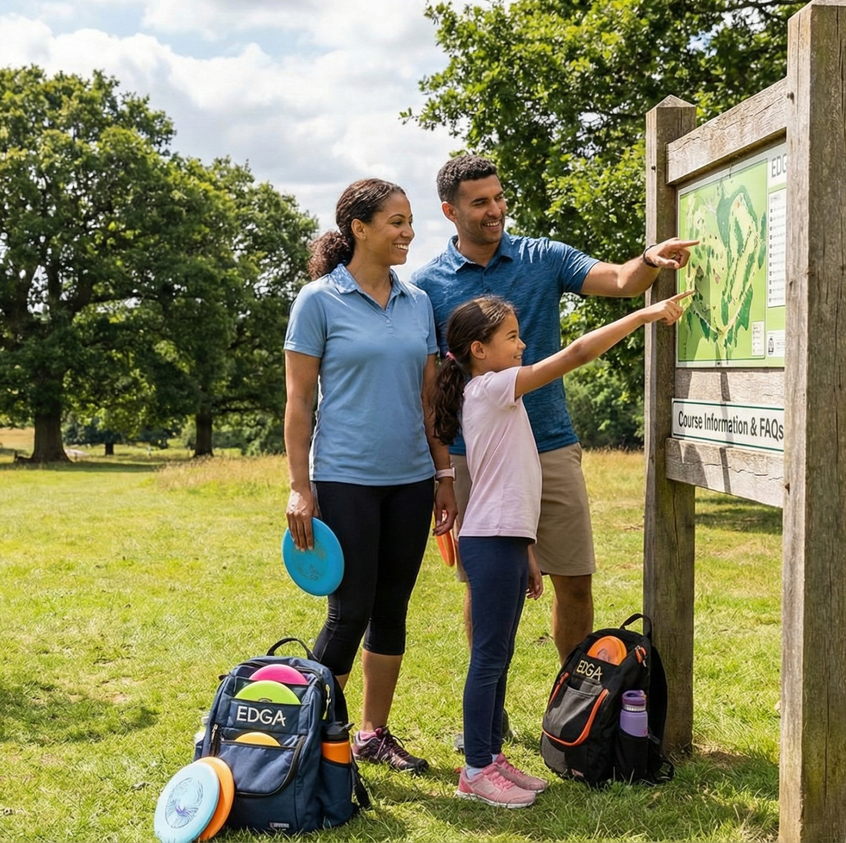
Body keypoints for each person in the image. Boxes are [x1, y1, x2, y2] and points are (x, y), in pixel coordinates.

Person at [410, 155, 695, 750]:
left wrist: (648, 261)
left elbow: (618, 280)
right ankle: (489, 716)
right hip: (475, 460)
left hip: (551, 447)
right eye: (480, 202)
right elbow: (432, 385)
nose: (495, 211)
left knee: (575, 581)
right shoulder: (429, 285)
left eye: (499, 197)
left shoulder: (544, 255)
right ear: (450, 211)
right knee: (487, 588)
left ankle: (578, 708)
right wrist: (441, 469)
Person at [432, 291, 690, 807]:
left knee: (499, 654)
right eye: (511, 336)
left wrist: (527, 550)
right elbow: (573, 355)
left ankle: (491, 757)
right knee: (487, 658)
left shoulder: (492, 391)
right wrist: (641, 315)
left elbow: (504, 481)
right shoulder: (491, 387)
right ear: (479, 350)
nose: (522, 344)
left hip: (504, 540)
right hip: (489, 542)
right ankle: (476, 769)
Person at [284, 178, 458, 774]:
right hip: (344, 478)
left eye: (410, 221)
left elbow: (431, 397)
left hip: (411, 478)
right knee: (348, 609)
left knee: (392, 607)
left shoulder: (418, 304)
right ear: (359, 228)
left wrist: (443, 474)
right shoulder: (318, 300)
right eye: (396, 221)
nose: (408, 232)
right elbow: (299, 401)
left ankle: (370, 734)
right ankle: (308, 738)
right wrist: (300, 486)